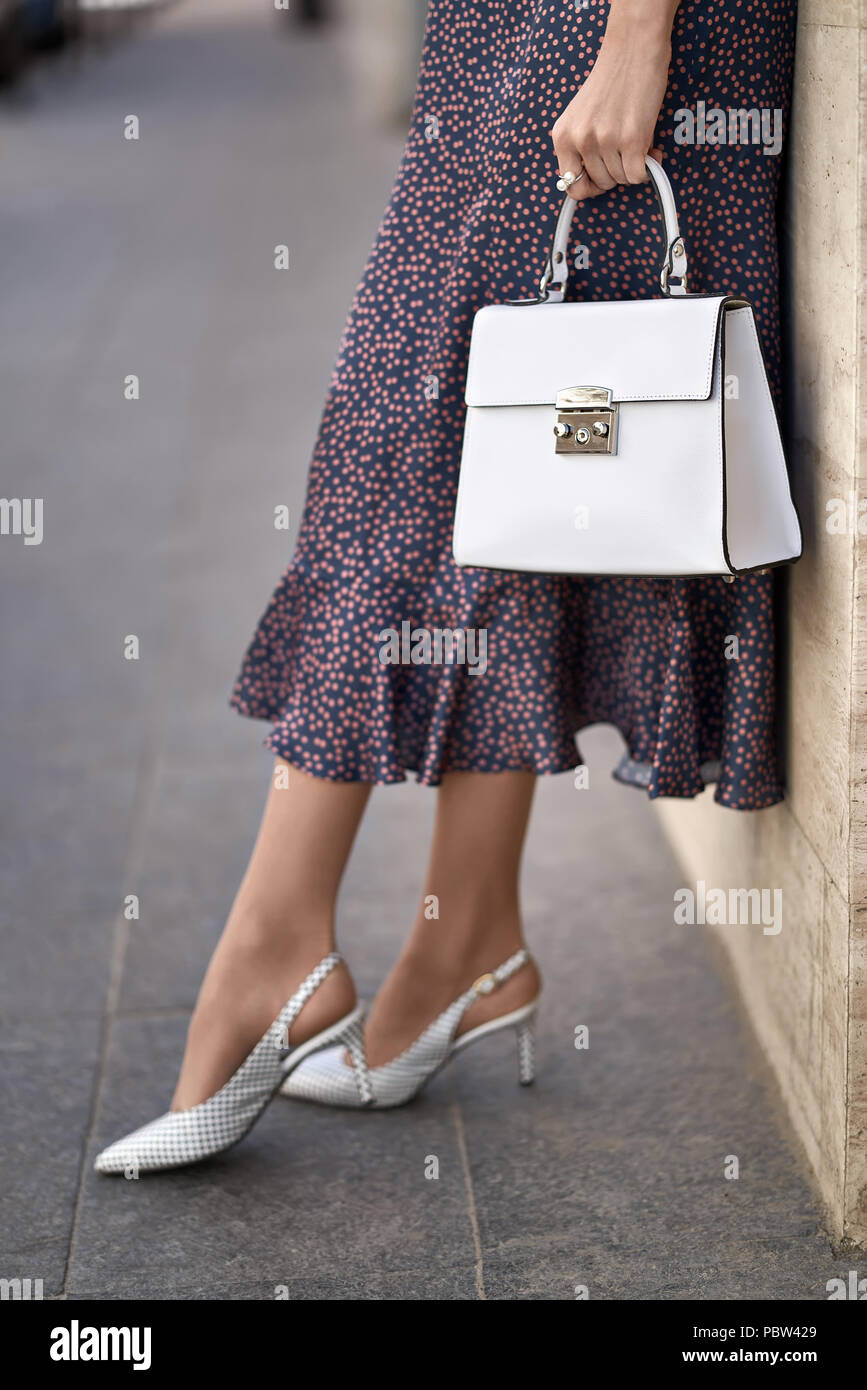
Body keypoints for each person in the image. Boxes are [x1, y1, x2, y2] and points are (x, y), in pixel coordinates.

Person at [96, 0, 797, 1172]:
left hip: (598, 28)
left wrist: (637, 37)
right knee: (514, 468)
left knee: (404, 453)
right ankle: (464, 934)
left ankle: (277, 947)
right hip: (508, 29)